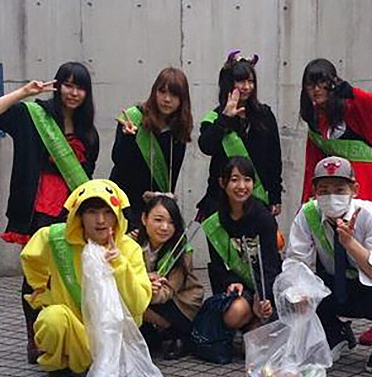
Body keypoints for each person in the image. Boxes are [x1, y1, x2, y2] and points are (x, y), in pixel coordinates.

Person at [0, 62, 100, 363]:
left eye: (80, 86)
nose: (73, 92)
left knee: (72, 273)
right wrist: (23, 92)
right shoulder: (34, 117)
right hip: (37, 209)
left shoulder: (89, 133)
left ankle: (67, 333)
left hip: (70, 212)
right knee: (36, 276)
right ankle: (35, 338)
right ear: (58, 85)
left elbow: (87, 177)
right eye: (68, 84)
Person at [284, 156, 372, 374]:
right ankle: (337, 335)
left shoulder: (371, 215)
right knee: (298, 292)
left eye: (340, 190)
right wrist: (298, 291)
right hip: (334, 284)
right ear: (314, 191)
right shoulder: (308, 214)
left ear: (355, 189)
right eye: (323, 190)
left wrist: (351, 244)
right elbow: (296, 259)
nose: (331, 197)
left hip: (371, 287)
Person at [20, 179, 151, 377]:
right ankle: (59, 366)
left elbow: (139, 304)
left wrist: (119, 265)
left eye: (107, 212)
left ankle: (102, 366)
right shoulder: (55, 238)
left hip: (114, 339)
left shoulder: (128, 249)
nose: (100, 220)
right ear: (79, 215)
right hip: (75, 330)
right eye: (91, 212)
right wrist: (41, 294)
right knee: (51, 319)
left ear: (117, 215)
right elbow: (30, 258)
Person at [299, 58, 372, 219]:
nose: (316, 89)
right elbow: (312, 163)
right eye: (310, 85)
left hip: (368, 182)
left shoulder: (350, 107)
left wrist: (354, 93)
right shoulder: (313, 117)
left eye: (322, 83)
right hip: (337, 183)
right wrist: (307, 199)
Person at [196, 50, 283, 222]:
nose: (247, 87)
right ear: (229, 83)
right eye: (241, 81)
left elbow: (274, 158)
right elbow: (206, 147)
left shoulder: (264, 115)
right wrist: (226, 118)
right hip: (220, 202)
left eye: (251, 81)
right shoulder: (215, 118)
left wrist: (275, 196)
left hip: (256, 200)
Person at [110, 67, 193, 233]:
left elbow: (171, 178)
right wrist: (127, 138)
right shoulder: (134, 118)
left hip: (155, 207)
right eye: (162, 92)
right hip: (125, 202)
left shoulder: (179, 129)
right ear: (154, 92)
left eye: (174, 95)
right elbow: (118, 161)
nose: (167, 99)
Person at [202, 157, 279, 331]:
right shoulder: (215, 223)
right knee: (233, 315)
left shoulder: (264, 218)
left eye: (247, 179)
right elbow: (218, 266)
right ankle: (249, 321)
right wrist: (232, 282)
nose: (242, 186)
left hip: (264, 285)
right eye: (235, 180)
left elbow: (271, 265)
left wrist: (262, 297)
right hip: (237, 286)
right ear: (223, 183)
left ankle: (257, 319)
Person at [135, 192, 204, 359]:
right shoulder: (133, 242)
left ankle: (176, 332)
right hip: (149, 294)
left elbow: (168, 292)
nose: (165, 227)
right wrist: (144, 283)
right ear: (144, 219)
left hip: (179, 302)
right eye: (158, 220)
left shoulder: (181, 251)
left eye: (171, 222)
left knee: (131, 305)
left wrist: (143, 289)